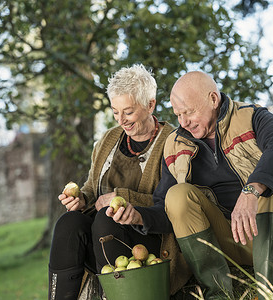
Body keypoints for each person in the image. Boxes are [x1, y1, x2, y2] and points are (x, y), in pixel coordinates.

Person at [139, 71, 273, 299]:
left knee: (266, 185)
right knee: (177, 195)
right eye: (178, 114)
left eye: (189, 112)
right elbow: (165, 208)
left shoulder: (253, 116)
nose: (183, 121)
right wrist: (139, 216)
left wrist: (251, 191)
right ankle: (218, 293)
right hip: (224, 239)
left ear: (213, 99)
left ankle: (271, 292)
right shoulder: (175, 145)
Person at [48, 64, 176, 300]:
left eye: (128, 111)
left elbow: (172, 205)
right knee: (69, 223)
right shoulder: (108, 139)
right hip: (102, 237)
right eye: (115, 112)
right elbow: (91, 186)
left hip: (149, 244)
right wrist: (82, 198)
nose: (121, 120)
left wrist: (123, 197)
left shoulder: (172, 143)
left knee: (105, 220)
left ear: (150, 104)